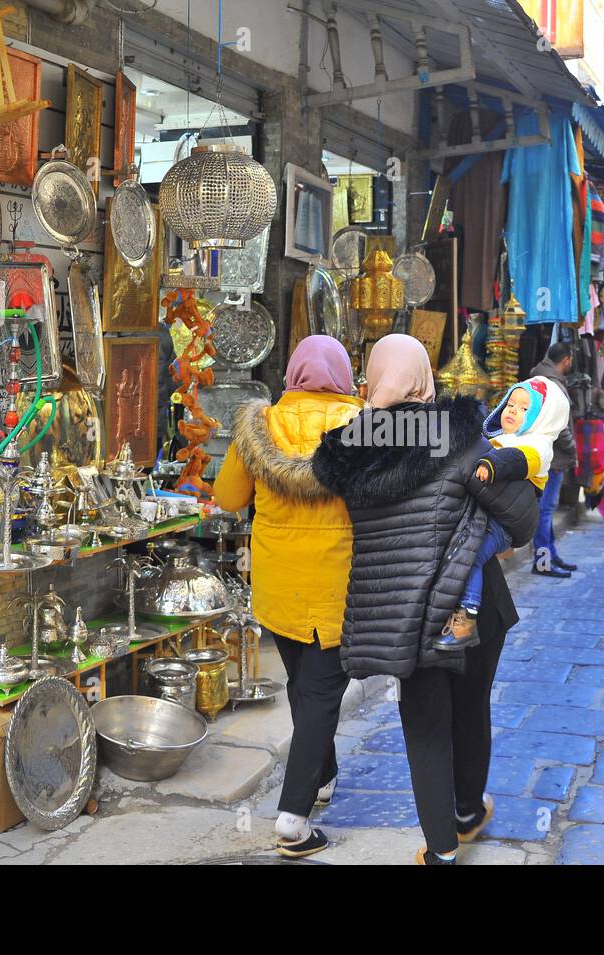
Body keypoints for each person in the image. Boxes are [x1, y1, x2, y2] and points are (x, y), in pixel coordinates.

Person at [312, 335, 538, 865]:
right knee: (471, 704)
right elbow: (522, 523)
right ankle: (465, 811)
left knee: (424, 720)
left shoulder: (350, 447)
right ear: (422, 377)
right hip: (472, 604)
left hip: (399, 611)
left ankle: (441, 849)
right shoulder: (456, 436)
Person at [212, 336, 365, 859]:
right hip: (337, 584)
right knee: (320, 695)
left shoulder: (259, 425)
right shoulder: (367, 425)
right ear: (343, 374)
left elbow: (228, 498)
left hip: (278, 586)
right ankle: (293, 822)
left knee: (304, 685)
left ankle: (322, 774)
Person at [439, 376, 569, 649]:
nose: (512, 411)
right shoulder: (502, 438)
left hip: (502, 525)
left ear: (542, 418)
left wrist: (491, 464)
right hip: (488, 515)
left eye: (524, 409)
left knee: (470, 557)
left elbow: (518, 461)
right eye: (511, 404)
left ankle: (466, 618)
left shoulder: (538, 445)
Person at [529, 342, 579, 577]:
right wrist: (571, 448)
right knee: (545, 510)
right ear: (566, 360)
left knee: (546, 509)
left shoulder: (541, 379)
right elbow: (559, 425)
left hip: (545, 454)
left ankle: (551, 554)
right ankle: (542, 561)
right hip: (552, 457)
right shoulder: (553, 384)